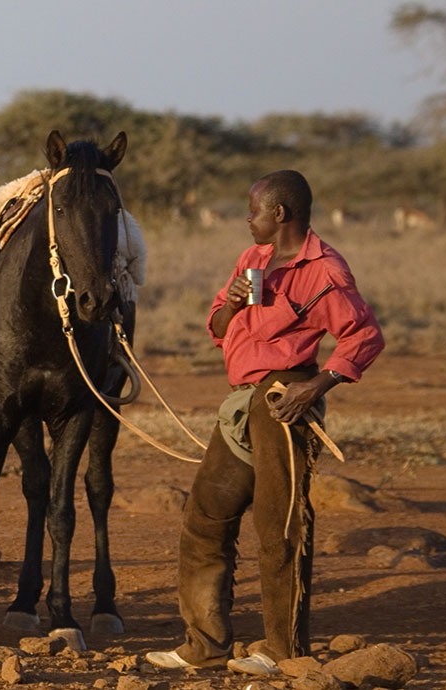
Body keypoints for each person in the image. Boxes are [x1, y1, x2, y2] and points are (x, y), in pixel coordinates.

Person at [146, 171, 384, 676]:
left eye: (253, 210)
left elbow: (363, 336)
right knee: (205, 516)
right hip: (240, 400)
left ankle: (283, 651)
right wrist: (231, 304)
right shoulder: (252, 261)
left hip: (283, 398)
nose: (247, 219)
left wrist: (314, 388)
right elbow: (215, 327)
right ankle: (205, 643)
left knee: (279, 525)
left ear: (280, 213)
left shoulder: (324, 270)